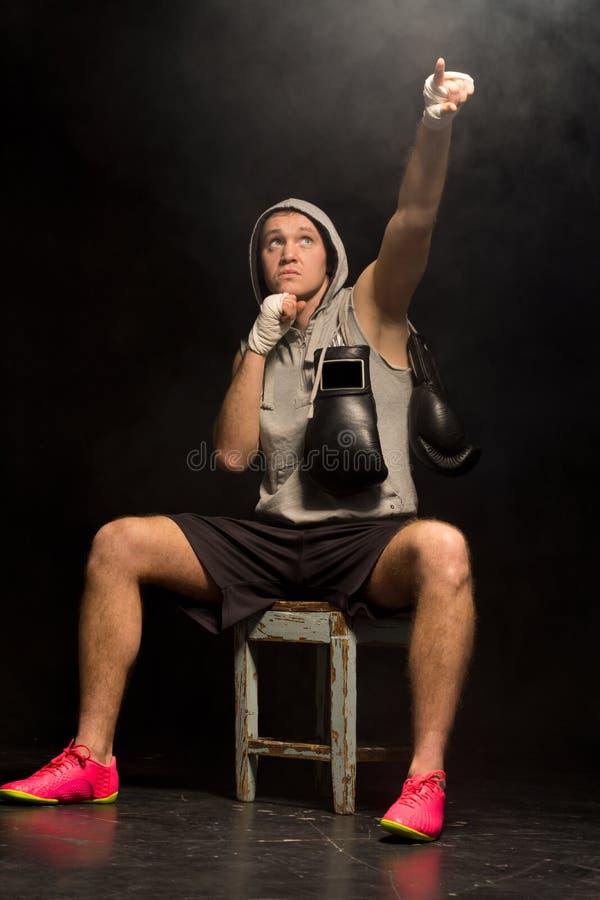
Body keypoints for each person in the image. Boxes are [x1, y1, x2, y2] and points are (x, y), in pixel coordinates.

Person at [1, 58, 476, 842]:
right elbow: (229, 458)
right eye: (271, 245)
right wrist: (256, 345)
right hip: (271, 541)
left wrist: (435, 120)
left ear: (330, 254)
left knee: (447, 552)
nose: (286, 253)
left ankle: (425, 779)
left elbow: (414, 218)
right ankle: (92, 757)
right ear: (258, 264)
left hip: (366, 539)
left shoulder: (375, 306)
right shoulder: (254, 343)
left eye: (302, 241)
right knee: (117, 542)